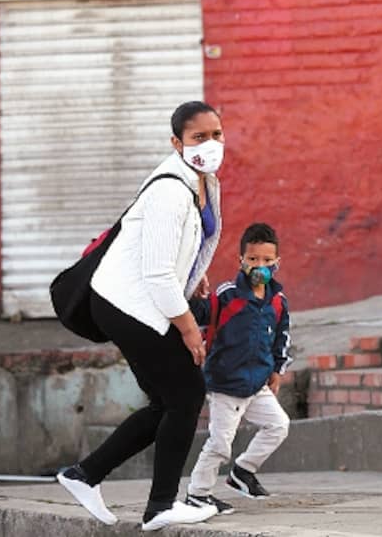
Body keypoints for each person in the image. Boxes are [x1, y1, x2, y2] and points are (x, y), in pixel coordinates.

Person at [56, 101, 225, 531]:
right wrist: (188, 328)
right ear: (177, 143)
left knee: (170, 401)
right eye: (198, 137)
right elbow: (156, 272)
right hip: (128, 303)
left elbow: (182, 246)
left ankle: (85, 475)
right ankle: (160, 505)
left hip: (141, 301)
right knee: (186, 395)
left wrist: (194, 276)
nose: (210, 144)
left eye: (216, 135)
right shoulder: (171, 190)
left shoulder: (205, 182)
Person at [183, 222, 293, 515]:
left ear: (277, 262)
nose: (260, 266)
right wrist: (192, 293)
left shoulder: (278, 302)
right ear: (241, 260)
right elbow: (200, 314)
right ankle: (197, 494)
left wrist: (277, 369)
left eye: (267, 260)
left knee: (278, 425)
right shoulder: (227, 295)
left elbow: (281, 337)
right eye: (253, 259)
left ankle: (243, 471)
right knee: (220, 444)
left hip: (258, 384)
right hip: (226, 385)